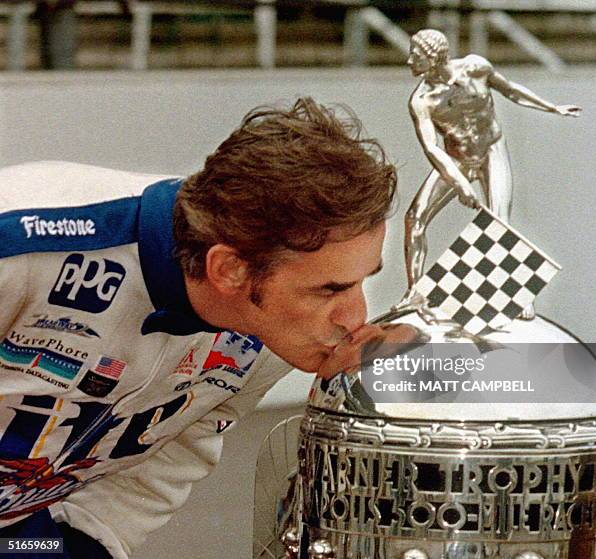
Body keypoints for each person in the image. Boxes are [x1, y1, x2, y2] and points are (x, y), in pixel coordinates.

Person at [0, 98, 399, 557]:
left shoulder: (263, 334)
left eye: (362, 282)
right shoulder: (23, 246)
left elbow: (156, 465)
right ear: (229, 269)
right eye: (330, 290)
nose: (356, 317)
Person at [403, 28, 581, 311]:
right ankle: (414, 292)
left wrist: (552, 108)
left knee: (499, 222)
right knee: (415, 218)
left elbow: (510, 90)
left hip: (490, 152)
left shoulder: (475, 68)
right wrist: (459, 182)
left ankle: (519, 295)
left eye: (416, 54)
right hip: (456, 158)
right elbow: (432, 148)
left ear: (433, 57)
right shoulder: (422, 100)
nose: (410, 60)